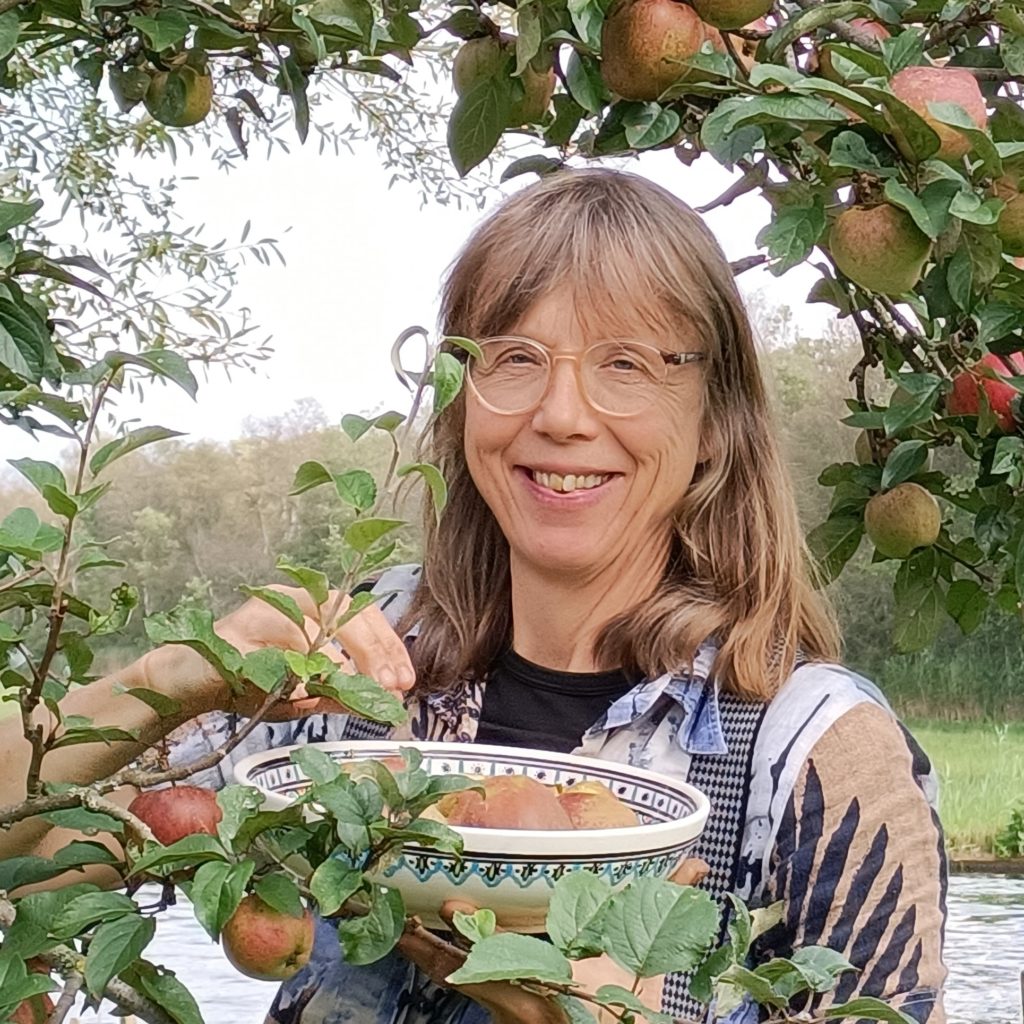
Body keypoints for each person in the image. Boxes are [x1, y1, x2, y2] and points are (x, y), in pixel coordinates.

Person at [0, 169, 947, 1024]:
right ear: (461, 396)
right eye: (514, 358)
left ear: (713, 423)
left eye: (627, 363)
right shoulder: (354, 677)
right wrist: (186, 673)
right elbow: (27, 859)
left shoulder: (809, 749)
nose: (562, 416)